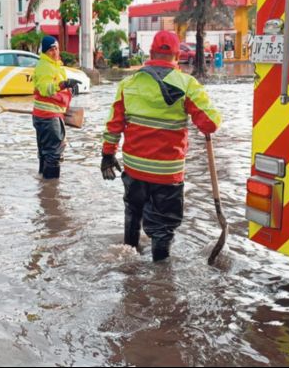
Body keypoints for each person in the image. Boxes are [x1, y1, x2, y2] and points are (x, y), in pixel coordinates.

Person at [100, 30, 221, 261]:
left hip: (134, 170)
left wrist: (107, 154)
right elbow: (211, 123)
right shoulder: (187, 84)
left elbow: (113, 125)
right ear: (177, 56)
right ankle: (161, 280)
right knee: (163, 228)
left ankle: (129, 268)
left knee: (133, 214)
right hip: (167, 174)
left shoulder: (129, 83)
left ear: (151, 52)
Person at [33, 36, 80, 180]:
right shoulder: (45, 67)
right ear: (45, 51)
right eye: (51, 49)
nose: (55, 52)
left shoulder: (53, 65)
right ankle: (52, 193)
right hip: (49, 117)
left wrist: (69, 89)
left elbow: (56, 88)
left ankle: (44, 188)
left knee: (45, 153)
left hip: (48, 116)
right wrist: (63, 85)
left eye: (56, 48)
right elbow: (45, 89)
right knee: (53, 155)